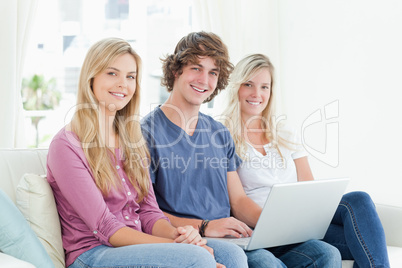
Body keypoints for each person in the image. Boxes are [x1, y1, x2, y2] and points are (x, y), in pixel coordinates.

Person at [141, 31, 342, 267]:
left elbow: (238, 200)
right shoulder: (146, 134)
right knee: (267, 263)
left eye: (213, 72)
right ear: (176, 70)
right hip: (194, 237)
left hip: (235, 237)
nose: (204, 80)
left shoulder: (219, 133)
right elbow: (146, 214)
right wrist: (206, 226)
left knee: (325, 254)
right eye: (196, 68)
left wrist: (276, 226)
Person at [46, 37, 244, 268]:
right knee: (196, 258)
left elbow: (149, 212)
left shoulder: (132, 140)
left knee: (233, 255)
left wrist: (178, 236)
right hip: (94, 253)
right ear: (91, 78)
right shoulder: (67, 144)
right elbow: (106, 228)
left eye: (130, 76)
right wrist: (178, 248)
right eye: (112, 73)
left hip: (138, 244)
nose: (123, 84)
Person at [221, 53, 391, 268]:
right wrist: (277, 225)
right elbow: (238, 202)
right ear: (236, 86)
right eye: (249, 84)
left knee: (358, 200)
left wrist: (303, 222)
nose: (257, 94)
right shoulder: (223, 135)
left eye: (265, 86)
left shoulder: (284, 132)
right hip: (263, 227)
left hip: (300, 222)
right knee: (360, 244)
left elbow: (308, 187)